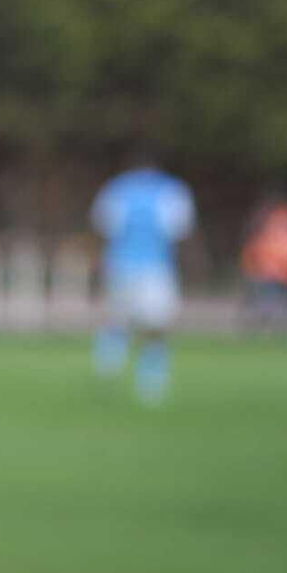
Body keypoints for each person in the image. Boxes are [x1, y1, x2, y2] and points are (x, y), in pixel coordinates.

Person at [90, 151, 196, 406]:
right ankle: (150, 378)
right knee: (156, 327)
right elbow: (180, 232)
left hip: (120, 264)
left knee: (119, 318)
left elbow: (103, 228)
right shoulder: (170, 191)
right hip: (155, 268)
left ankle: (109, 361)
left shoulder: (117, 188)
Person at [238, 191, 287, 333]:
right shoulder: (267, 228)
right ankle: (262, 322)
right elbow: (254, 251)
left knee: (282, 302)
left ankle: (274, 323)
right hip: (268, 273)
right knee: (267, 299)